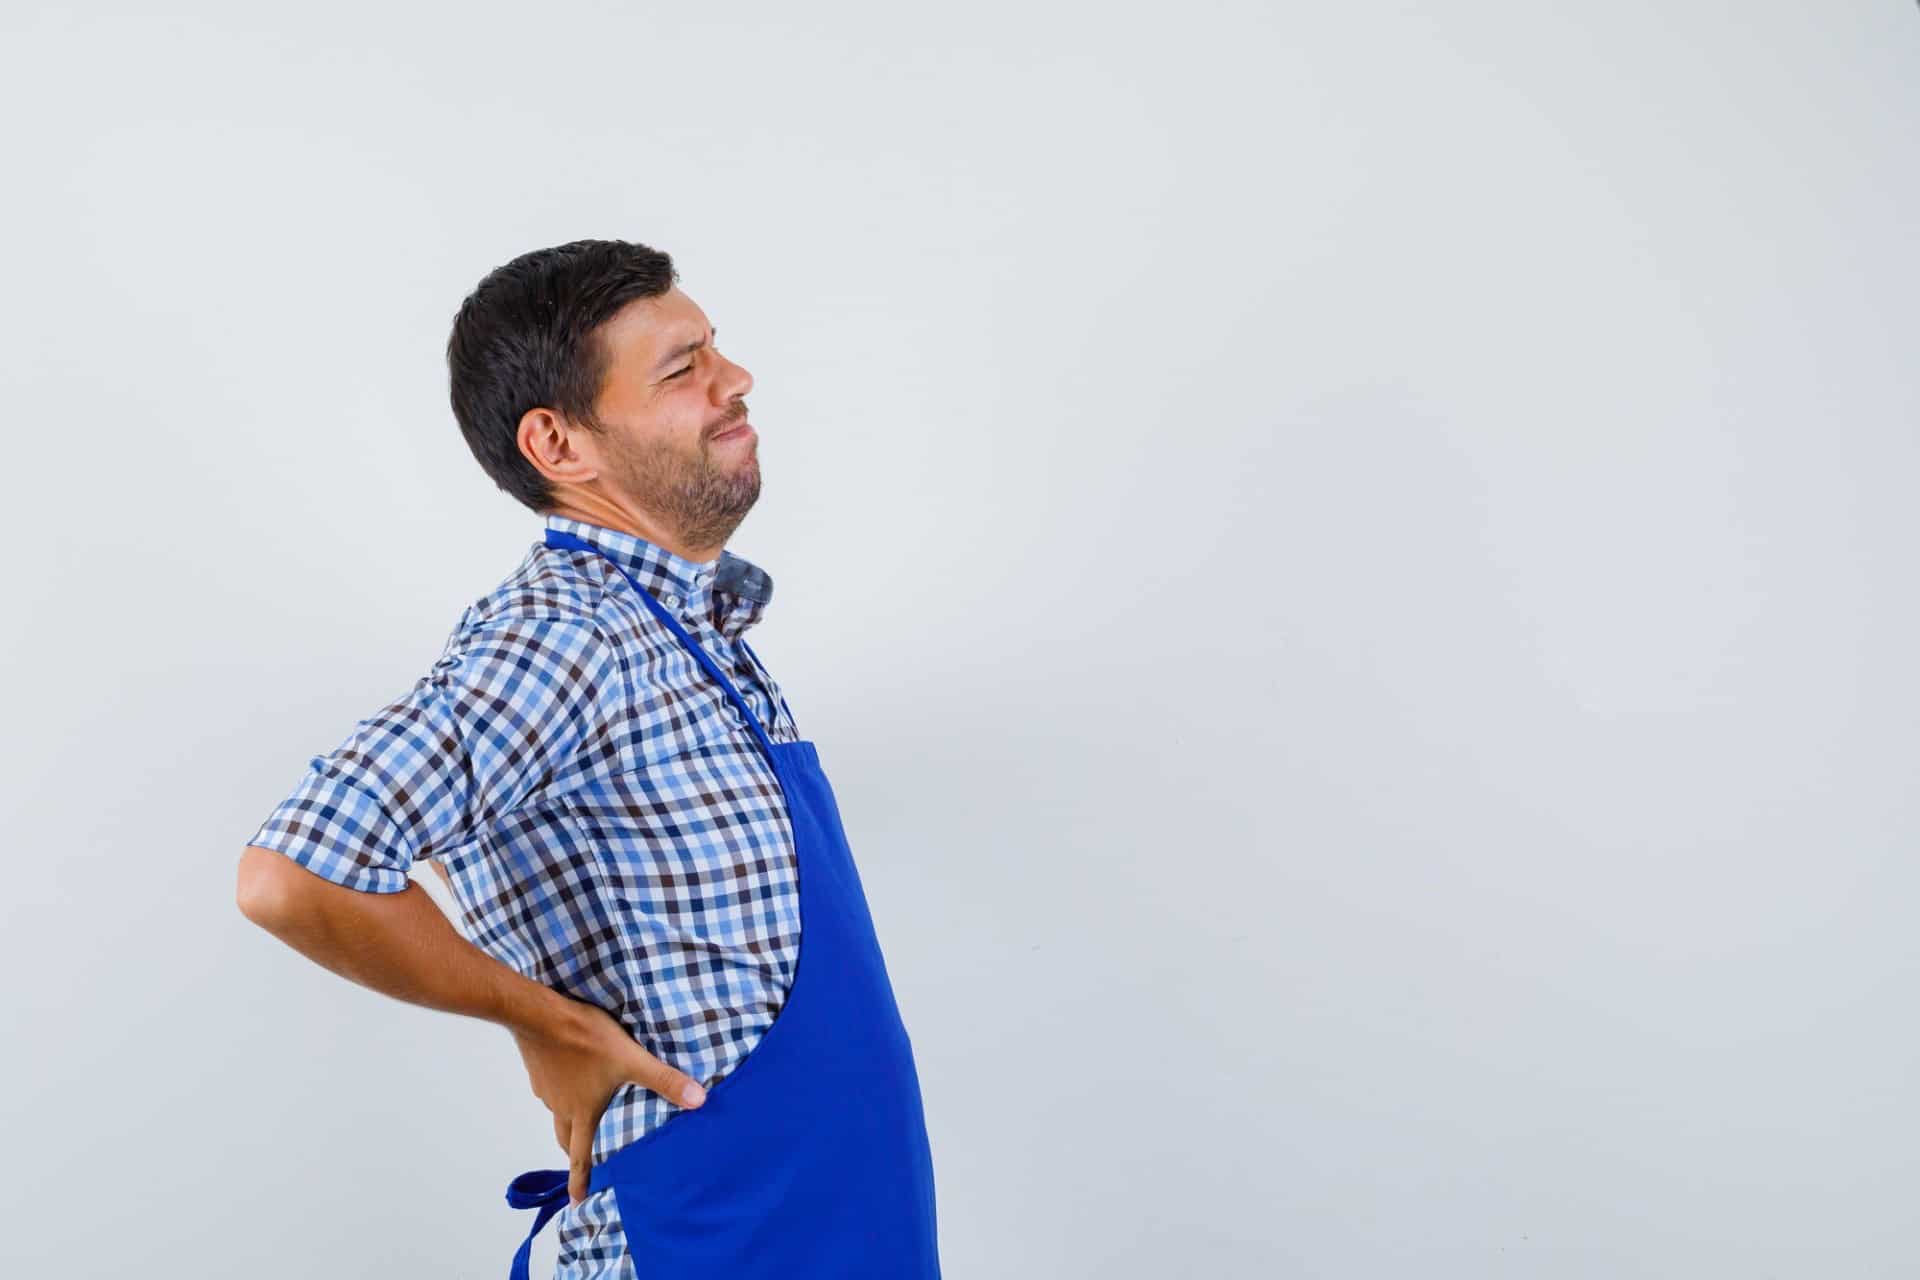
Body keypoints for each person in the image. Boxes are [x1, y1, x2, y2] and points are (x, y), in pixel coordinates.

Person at [234, 239, 941, 1279]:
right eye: (680, 366)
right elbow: (291, 874)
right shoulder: (569, 633)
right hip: (708, 1241)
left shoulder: (689, 631)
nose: (733, 380)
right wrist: (543, 1021)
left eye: (716, 349)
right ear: (560, 444)